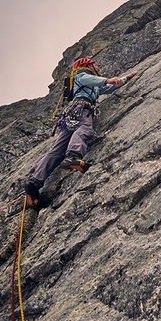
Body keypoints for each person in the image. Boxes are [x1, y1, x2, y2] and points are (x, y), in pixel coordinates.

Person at [25, 57, 137, 210]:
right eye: (94, 64)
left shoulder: (93, 85)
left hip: (71, 115)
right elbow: (92, 80)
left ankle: (34, 183)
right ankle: (73, 157)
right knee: (85, 129)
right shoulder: (81, 75)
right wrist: (108, 80)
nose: (97, 67)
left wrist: (126, 78)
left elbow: (108, 88)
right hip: (81, 109)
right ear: (87, 65)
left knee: (57, 150)